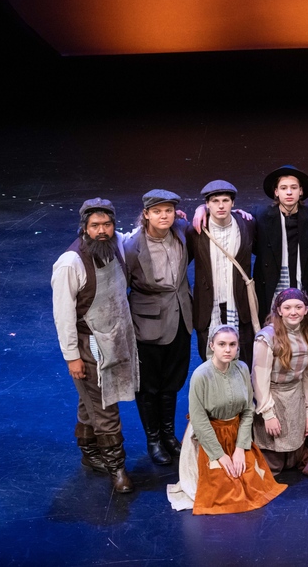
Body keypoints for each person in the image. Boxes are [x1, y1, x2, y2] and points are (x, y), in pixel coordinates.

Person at [52, 198, 140, 493]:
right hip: (90, 344)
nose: (102, 230)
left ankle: (90, 454)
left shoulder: (116, 245)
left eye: (107, 224)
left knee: (88, 400)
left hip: (115, 338)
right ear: (84, 228)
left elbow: (136, 234)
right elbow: (63, 316)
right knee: (105, 405)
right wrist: (72, 357)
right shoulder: (70, 263)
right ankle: (117, 469)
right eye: (95, 226)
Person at [167, 325, 286, 514]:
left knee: (250, 479)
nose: (227, 349)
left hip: (236, 433)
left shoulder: (241, 368)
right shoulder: (201, 375)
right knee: (224, 488)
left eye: (232, 344)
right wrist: (220, 455)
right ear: (212, 345)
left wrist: (240, 448)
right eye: (222, 344)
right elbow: (199, 420)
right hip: (209, 436)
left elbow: (248, 411)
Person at [123, 189, 193, 466]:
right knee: (149, 386)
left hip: (181, 318)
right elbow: (122, 286)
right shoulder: (131, 246)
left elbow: (205, 218)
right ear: (146, 214)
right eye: (158, 211)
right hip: (147, 323)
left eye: (169, 211)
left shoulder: (183, 231)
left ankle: (169, 435)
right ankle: (153, 439)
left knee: (172, 382)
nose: (164, 216)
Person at [187, 180, 257, 367]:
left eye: (225, 200)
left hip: (239, 306)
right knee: (211, 366)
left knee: (243, 364)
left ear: (233, 204)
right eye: (215, 201)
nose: (220, 205)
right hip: (209, 309)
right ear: (207, 204)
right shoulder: (196, 230)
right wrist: (199, 209)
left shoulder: (247, 224)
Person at [251, 289, 308, 473]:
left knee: (292, 461)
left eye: (298, 307)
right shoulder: (266, 337)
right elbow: (260, 378)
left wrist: (307, 411)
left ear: (306, 310)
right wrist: (268, 414)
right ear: (279, 310)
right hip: (273, 395)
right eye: (287, 307)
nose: (293, 312)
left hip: (295, 396)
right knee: (273, 463)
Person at [253, 165, 308, 319]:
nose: (289, 192)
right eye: (283, 188)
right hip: (272, 286)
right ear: (276, 192)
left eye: (293, 187)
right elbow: (235, 217)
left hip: (303, 284)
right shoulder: (261, 215)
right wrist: (203, 208)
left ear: (301, 191)